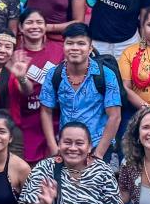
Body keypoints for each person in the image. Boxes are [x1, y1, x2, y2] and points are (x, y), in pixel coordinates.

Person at [39, 23, 122, 160]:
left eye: (81, 43)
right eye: (70, 43)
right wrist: (54, 148)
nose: (75, 48)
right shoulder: (54, 74)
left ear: (90, 48)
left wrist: (99, 154)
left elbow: (115, 116)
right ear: (63, 47)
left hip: (97, 145)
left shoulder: (106, 74)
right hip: (66, 147)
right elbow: (46, 111)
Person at [12, 9, 59, 165]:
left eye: (39, 22)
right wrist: (21, 76)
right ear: (20, 27)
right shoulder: (15, 56)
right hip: (26, 125)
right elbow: (23, 91)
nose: (35, 26)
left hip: (55, 123)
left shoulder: (59, 51)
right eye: (29, 22)